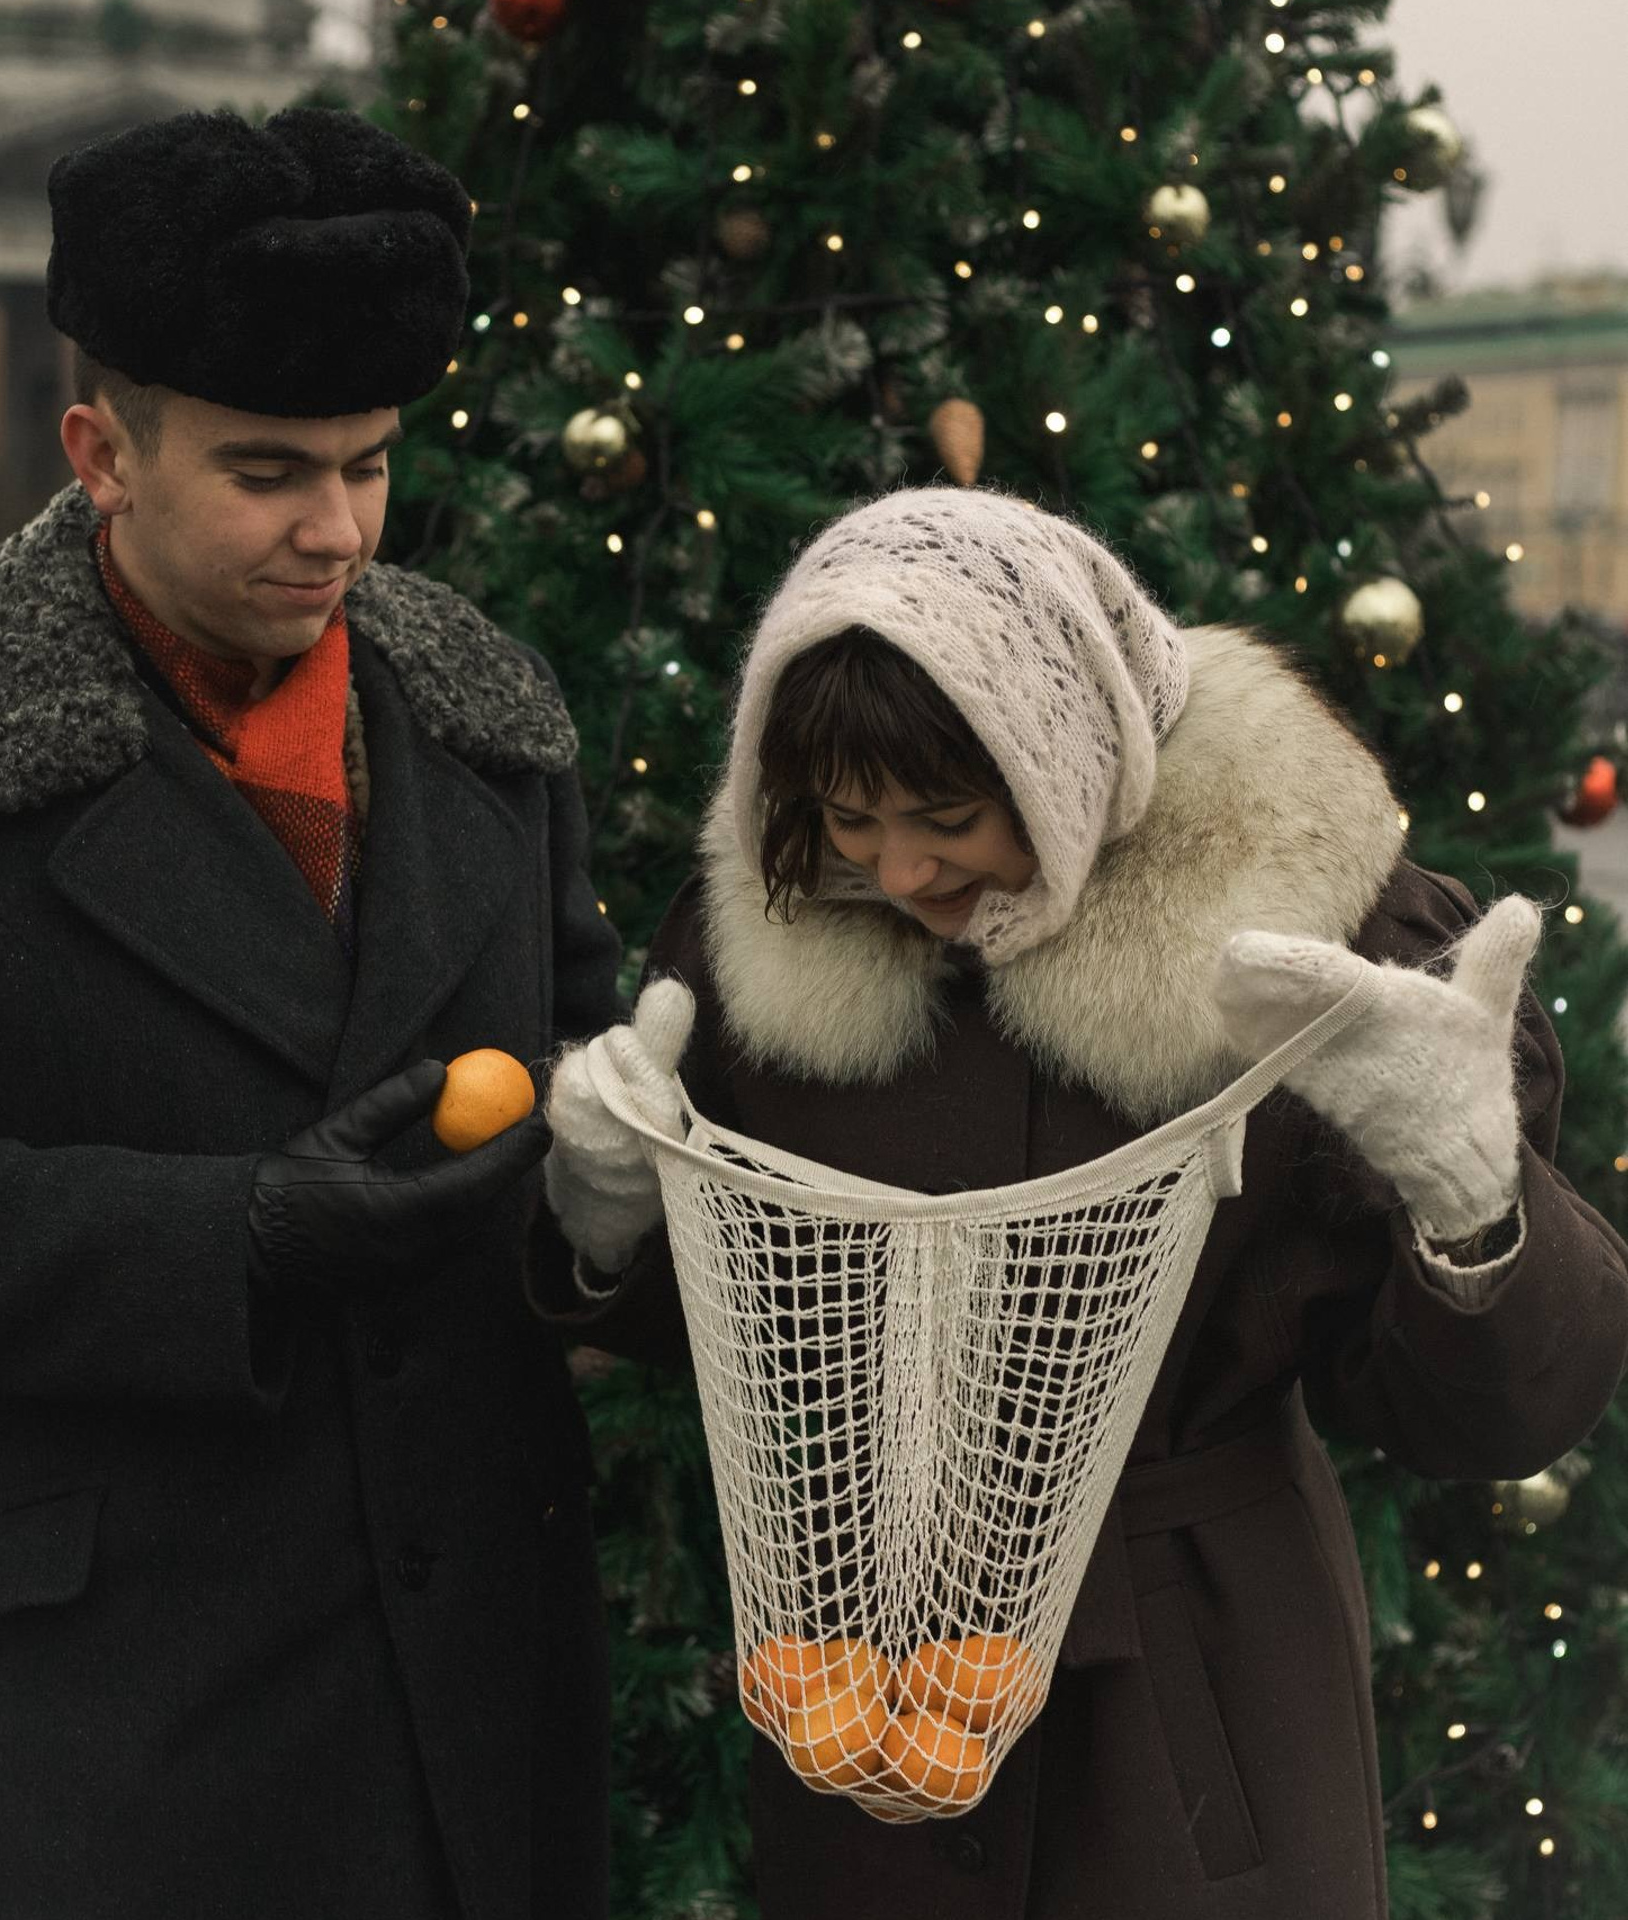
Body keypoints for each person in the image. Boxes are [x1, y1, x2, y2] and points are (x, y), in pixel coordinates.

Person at [0, 106, 624, 1920]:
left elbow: (588, 1093)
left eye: (370, 466)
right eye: (269, 472)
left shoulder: (484, 732)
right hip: (86, 1749)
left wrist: (612, 1213)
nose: (340, 530)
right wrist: (242, 1234)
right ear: (99, 453)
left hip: (455, 1723)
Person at [531, 487, 1628, 1920]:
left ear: (1060, 756)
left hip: (1198, 1722)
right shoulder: (767, 945)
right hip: (864, 1715)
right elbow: (757, 1341)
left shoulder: (1321, 959)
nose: (901, 870)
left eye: (946, 815)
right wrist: (607, 1220)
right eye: (849, 818)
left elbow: (1482, 1421)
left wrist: (1470, 1198)